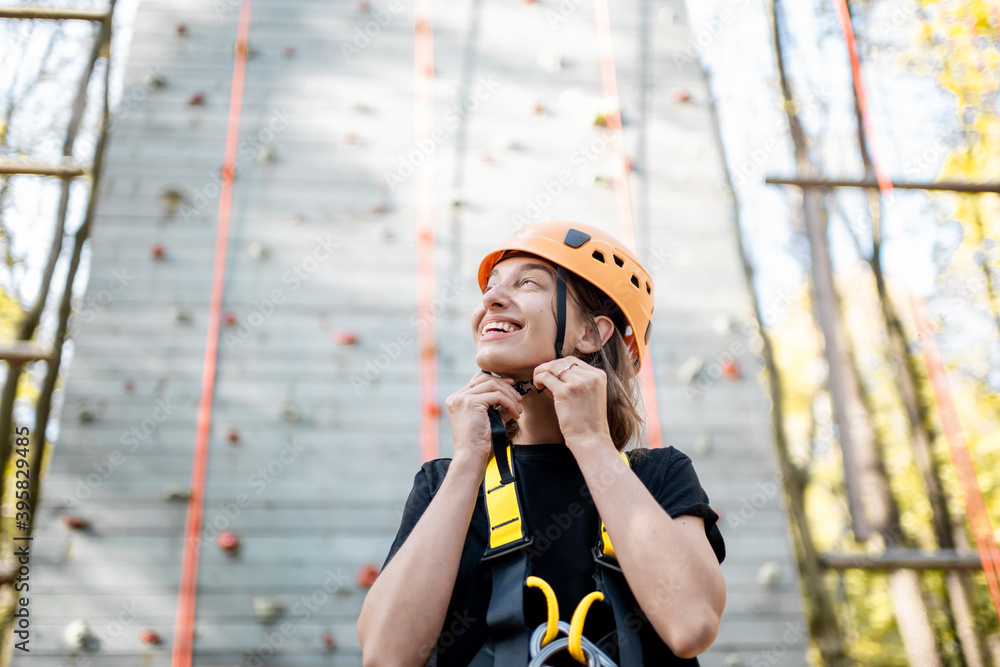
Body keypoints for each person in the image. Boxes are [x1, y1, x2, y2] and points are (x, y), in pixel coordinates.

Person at [358, 221, 726, 666]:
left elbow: (692, 625)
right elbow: (386, 656)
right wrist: (469, 460)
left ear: (591, 334)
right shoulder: (443, 483)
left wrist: (591, 440)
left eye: (527, 282)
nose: (491, 299)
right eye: (491, 288)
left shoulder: (658, 475)